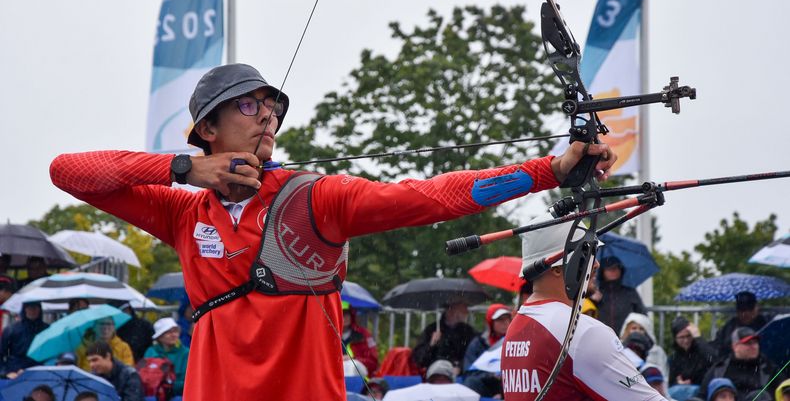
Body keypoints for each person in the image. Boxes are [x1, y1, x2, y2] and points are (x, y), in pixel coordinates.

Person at [49, 62, 616, 400]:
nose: (266, 117)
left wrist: (551, 168)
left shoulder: (315, 198)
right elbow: (67, 172)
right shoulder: (183, 213)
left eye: (272, 110)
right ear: (207, 129)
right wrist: (181, 169)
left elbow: (430, 196)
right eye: (248, 106)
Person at [501, 219, 663, 400]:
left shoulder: (516, 326)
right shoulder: (585, 331)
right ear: (556, 268)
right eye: (587, 253)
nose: (596, 264)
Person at [698, 327, 782, 401]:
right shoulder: (719, 369)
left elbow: (784, 392)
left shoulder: (768, 368)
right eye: (748, 343)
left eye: (755, 342)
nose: (753, 346)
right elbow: (702, 395)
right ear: (735, 346)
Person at [412, 301, 478, 373]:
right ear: (451, 310)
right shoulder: (432, 330)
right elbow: (420, 359)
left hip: (461, 374)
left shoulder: (468, 331)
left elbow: (474, 354)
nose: (466, 312)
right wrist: (431, 344)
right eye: (463, 308)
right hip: (436, 372)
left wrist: (460, 367)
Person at [463, 303, 512, 397]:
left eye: (507, 319)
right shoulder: (478, 343)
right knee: (470, 382)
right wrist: (491, 375)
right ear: (490, 322)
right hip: (485, 387)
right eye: (500, 320)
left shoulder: (515, 341)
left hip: (508, 385)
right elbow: (469, 372)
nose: (505, 323)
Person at [596, 255, 646, 333]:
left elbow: (642, 316)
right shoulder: (595, 292)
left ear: (621, 270)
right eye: (608, 268)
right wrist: (591, 300)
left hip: (626, 339)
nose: (612, 271)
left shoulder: (630, 292)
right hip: (601, 336)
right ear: (602, 272)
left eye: (615, 268)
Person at [713, 291, 771, 357]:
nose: (746, 313)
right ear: (737, 310)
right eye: (742, 309)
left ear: (757, 308)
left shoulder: (767, 323)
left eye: (750, 309)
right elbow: (718, 348)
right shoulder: (729, 327)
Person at [143, 317, 189, 396]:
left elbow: (186, 381)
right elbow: (144, 375)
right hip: (153, 393)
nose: (173, 335)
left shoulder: (185, 353)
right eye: (168, 332)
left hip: (178, 395)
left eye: (175, 331)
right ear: (159, 337)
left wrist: (167, 387)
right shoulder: (151, 351)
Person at [620, 312, 669, 385]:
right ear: (627, 330)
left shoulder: (657, 351)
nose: (637, 331)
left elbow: (664, 376)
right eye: (634, 328)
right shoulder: (619, 349)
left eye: (641, 329)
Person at [0, 301, 48, 376]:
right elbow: (2, 352)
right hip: (15, 372)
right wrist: (6, 372)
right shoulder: (11, 330)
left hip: (39, 370)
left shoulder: (46, 329)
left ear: (39, 310)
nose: (33, 311)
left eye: (35, 308)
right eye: (30, 308)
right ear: (25, 309)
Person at [668, 316, 716, 386]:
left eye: (688, 336)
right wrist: (678, 383)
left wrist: (698, 338)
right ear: (675, 338)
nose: (686, 340)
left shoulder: (701, 350)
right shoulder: (674, 357)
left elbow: (714, 359)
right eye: (682, 337)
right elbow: (671, 382)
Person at [342, 302, 379, 376]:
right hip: (334, 376)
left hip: (360, 378)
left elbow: (373, 363)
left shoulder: (363, 334)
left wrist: (352, 358)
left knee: (352, 366)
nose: (345, 317)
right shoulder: (328, 336)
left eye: (347, 314)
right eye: (341, 314)